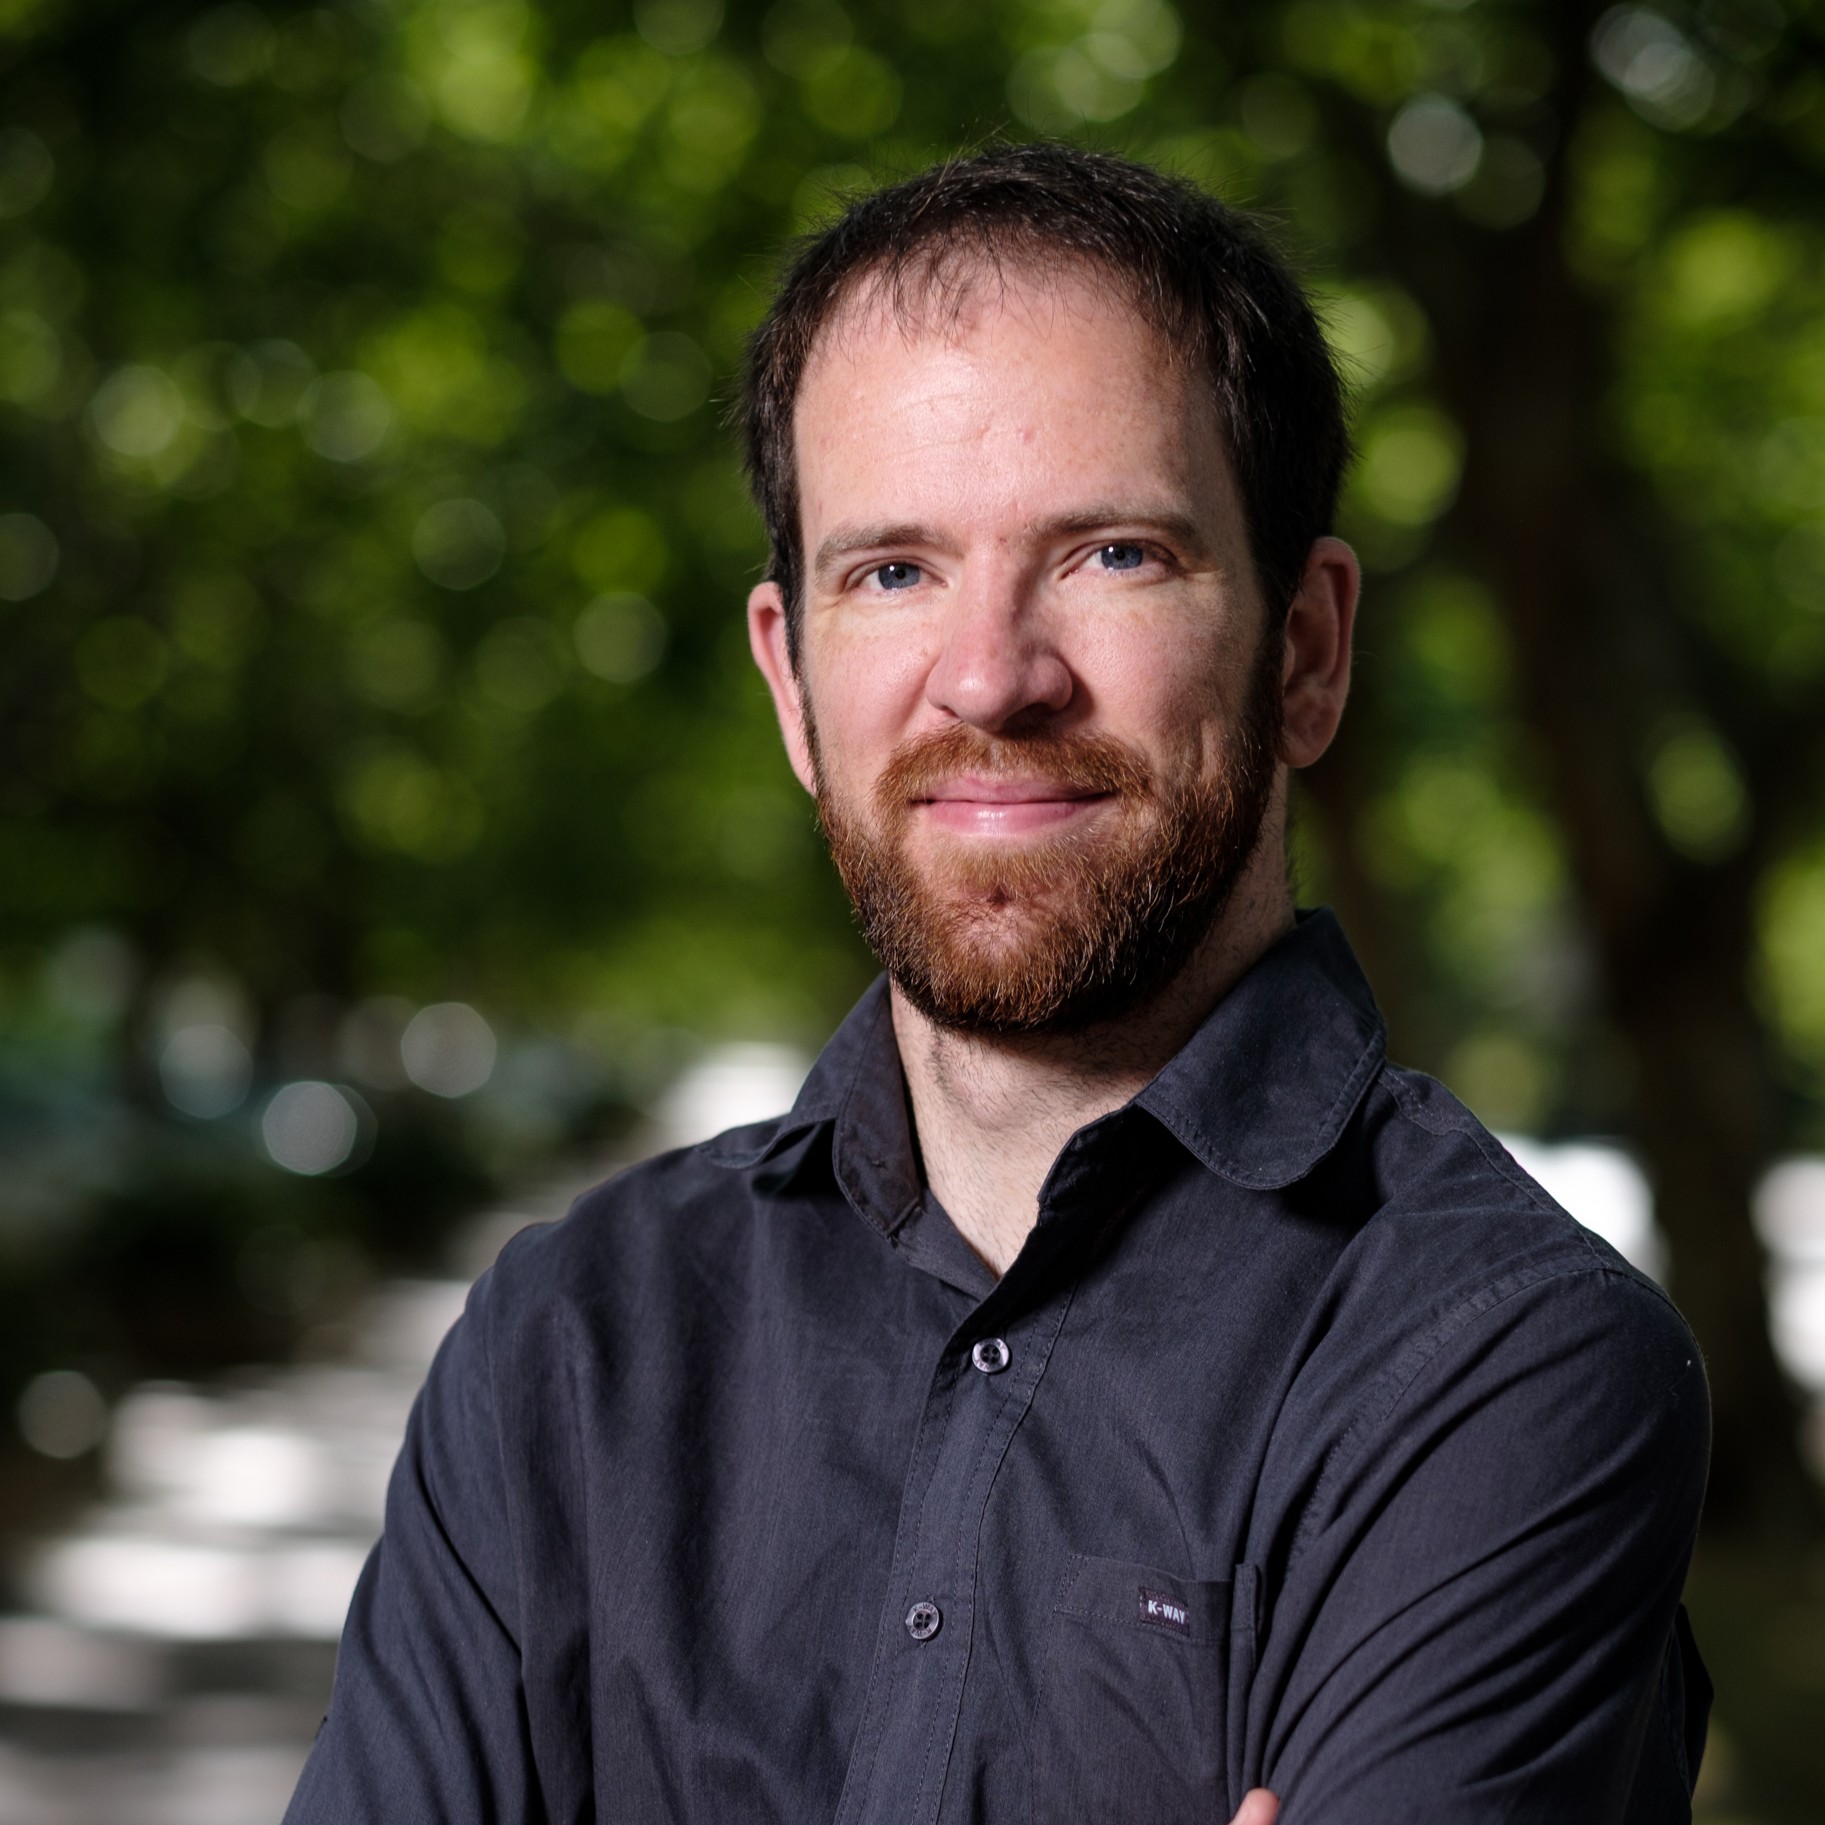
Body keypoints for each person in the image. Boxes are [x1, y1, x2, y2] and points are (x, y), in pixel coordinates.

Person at [284, 144, 1711, 1825]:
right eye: (890, 572)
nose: (986, 677)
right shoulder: (569, 1347)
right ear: (793, 685)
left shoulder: (1507, 1369)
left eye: (1111, 553)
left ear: (1306, 651)